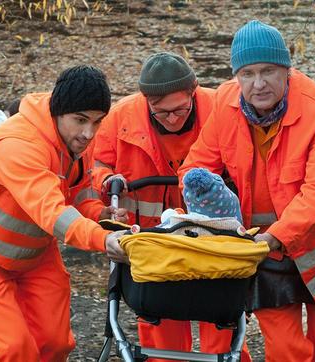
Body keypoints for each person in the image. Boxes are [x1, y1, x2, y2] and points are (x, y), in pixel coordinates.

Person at [179, 20, 315, 361]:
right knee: (285, 351)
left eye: (268, 71)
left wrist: (273, 237)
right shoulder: (226, 104)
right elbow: (195, 168)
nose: (259, 83)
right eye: (248, 74)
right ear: (236, 77)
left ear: (287, 70)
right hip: (265, 249)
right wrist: (207, 201)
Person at [0, 65, 127, 361]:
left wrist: (102, 214)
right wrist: (103, 240)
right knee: (14, 349)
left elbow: (78, 195)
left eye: (97, 122)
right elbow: (53, 213)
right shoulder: (16, 146)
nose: (89, 133)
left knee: (56, 343)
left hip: (34, 253)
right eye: (80, 120)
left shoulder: (75, 143)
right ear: (58, 111)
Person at [92, 52, 251, 361]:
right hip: (153, 248)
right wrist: (106, 179)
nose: (173, 119)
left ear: (194, 91)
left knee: (222, 326)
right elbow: (96, 162)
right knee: (160, 335)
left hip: (213, 244)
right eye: (161, 112)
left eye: (180, 109)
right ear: (146, 100)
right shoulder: (120, 119)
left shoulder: (221, 108)